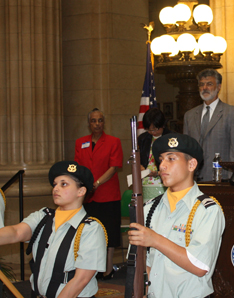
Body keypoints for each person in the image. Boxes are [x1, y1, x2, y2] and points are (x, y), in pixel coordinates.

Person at [128, 133, 225, 298]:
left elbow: (199, 265)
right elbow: (138, 261)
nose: (162, 166)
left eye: (171, 159)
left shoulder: (207, 210)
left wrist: (155, 240)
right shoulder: (149, 208)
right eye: (161, 159)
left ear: (191, 164)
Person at [0, 161, 107, 297]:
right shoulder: (43, 217)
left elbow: (81, 280)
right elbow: (16, 232)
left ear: (81, 191)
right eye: (55, 184)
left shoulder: (90, 229)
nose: (56, 188)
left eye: (64, 184)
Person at [75, 108, 123, 280]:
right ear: (89, 123)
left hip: (108, 195)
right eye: (94, 121)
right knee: (90, 234)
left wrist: (97, 183)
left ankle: (108, 270)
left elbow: (114, 166)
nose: (97, 124)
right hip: (88, 196)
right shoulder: (81, 142)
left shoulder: (113, 141)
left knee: (109, 234)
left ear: (104, 122)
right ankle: (91, 270)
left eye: (100, 120)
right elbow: (78, 167)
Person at [183, 68, 234, 181]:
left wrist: (232, 180)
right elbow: (186, 151)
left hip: (222, 178)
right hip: (194, 180)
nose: (205, 88)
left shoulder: (232, 113)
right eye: (201, 85)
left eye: (209, 84)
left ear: (219, 87)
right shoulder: (189, 115)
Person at [138, 108, 172, 201]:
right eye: (149, 130)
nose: (153, 132)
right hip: (146, 183)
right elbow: (139, 159)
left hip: (165, 182)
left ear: (163, 125)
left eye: (155, 129)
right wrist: (140, 166)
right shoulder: (143, 139)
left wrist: (157, 173)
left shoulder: (171, 139)